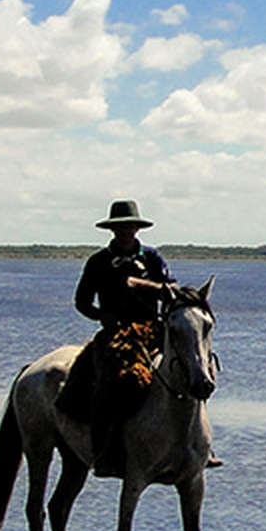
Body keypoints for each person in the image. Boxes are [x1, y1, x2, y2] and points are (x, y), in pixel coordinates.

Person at [59, 199, 178, 478]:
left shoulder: (152, 258)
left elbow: (171, 289)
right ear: (113, 230)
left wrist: (141, 284)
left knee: (189, 371)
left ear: (137, 228)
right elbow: (82, 302)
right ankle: (105, 453)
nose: (125, 231)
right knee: (106, 384)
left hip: (152, 332)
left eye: (130, 227)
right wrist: (102, 316)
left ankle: (198, 448)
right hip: (117, 334)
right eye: (120, 227)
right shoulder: (98, 262)